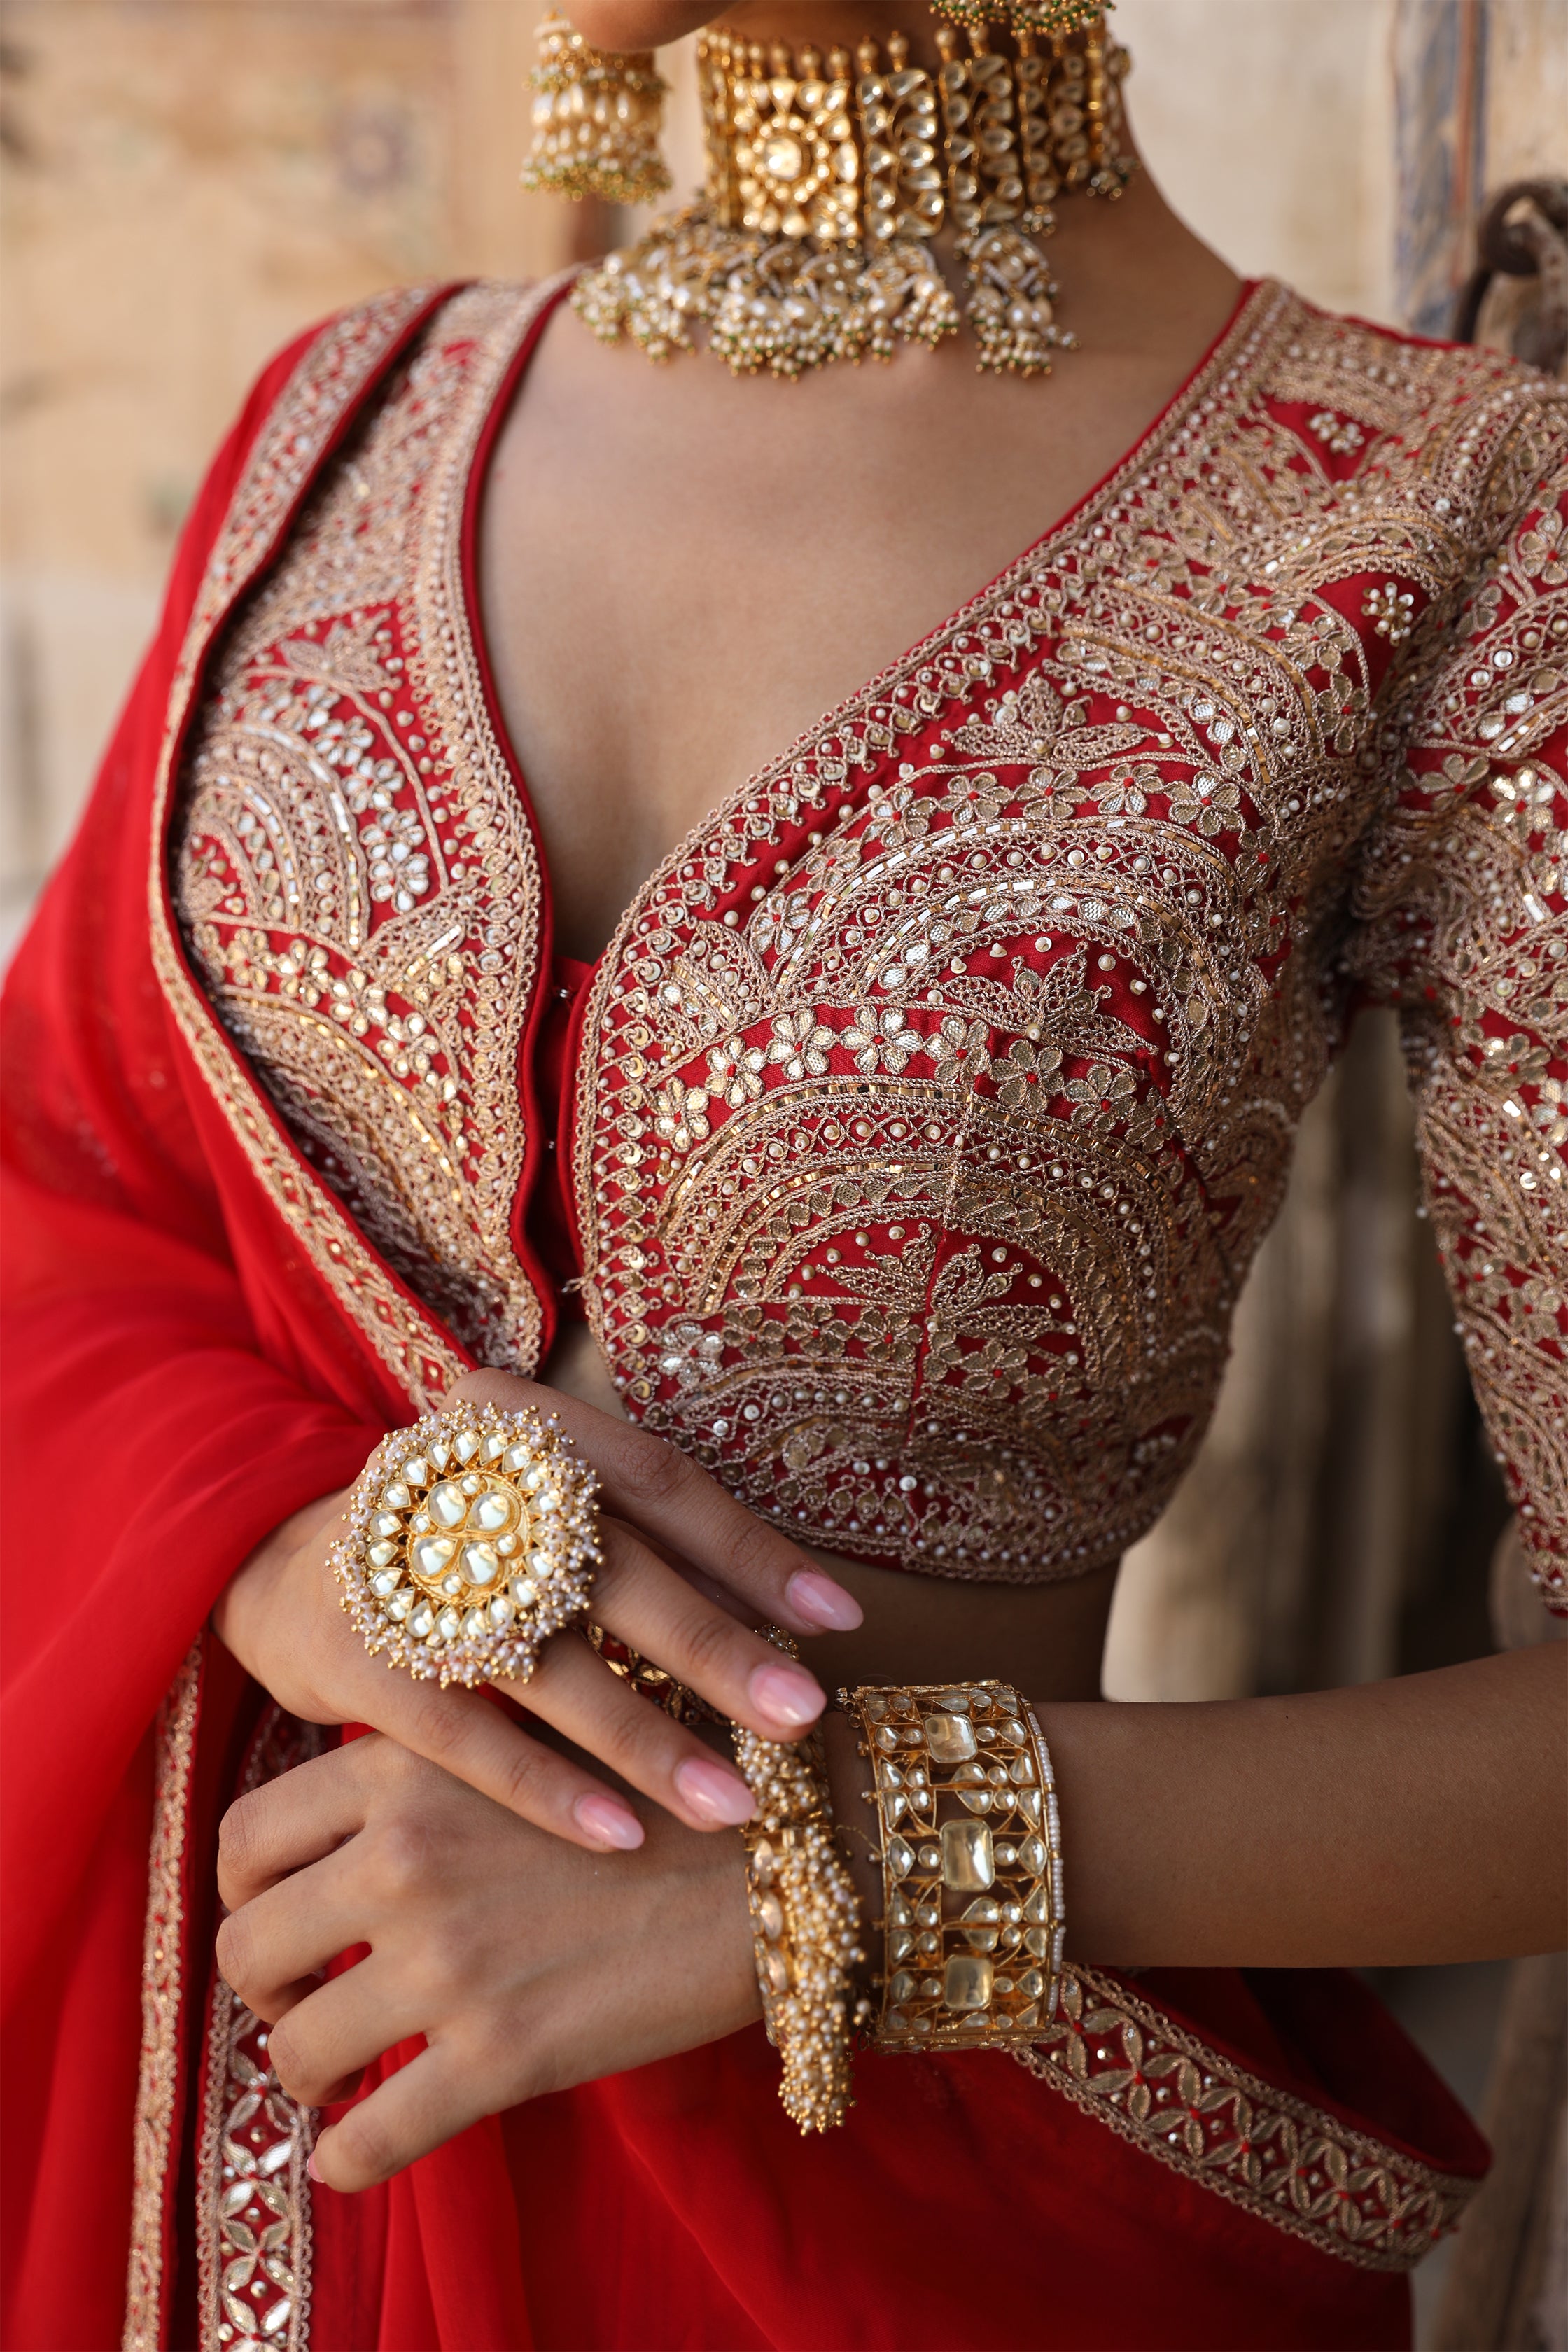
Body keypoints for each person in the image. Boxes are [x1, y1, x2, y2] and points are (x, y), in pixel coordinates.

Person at [3, 4, 1564, 2346]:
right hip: (228, 2147)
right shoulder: (349, 420)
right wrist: (270, 1538)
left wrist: (819, 1879)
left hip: (924, 2217)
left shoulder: (1433, 515)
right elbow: (53, 1184)